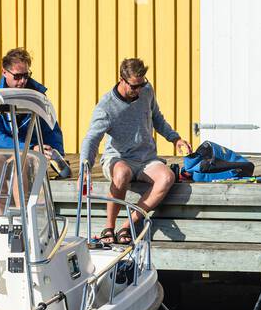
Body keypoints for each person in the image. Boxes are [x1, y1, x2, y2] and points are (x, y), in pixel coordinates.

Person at [80, 57, 191, 245]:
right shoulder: (106, 107)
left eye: (141, 84)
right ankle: (109, 227)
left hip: (146, 158)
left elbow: (157, 118)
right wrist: (85, 169)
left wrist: (175, 139)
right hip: (119, 158)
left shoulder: (146, 91)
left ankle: (128, 224)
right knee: (122, 173)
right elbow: (91, 139)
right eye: (134, 86)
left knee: (167, 177)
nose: (138, 90)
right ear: (121, 80)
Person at [0, 48, 70, 212]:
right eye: (17, 76)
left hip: (26, 154)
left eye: (26, 75)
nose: (22, 81)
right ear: (4, 72)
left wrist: (59, 157)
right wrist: (28, 147)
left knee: (20, 162)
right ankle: (0, 218)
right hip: (2, 150)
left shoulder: (37, 97)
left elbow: (51, 129)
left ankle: (25, 217)